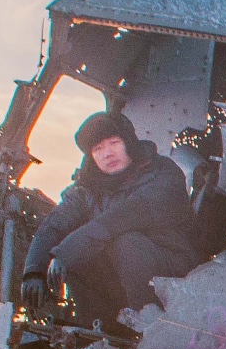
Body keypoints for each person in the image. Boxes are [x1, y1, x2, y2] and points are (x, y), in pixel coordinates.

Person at [21, 111, 200, 326]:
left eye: (114, 143)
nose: (107, 153)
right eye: (98, 149)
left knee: (123, 243)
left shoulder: (163, 174)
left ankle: (151, 328)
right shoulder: (87, 190)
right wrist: (33, 271)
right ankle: (97, 331)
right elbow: (54, 225)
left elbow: (124, 217)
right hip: (121, 280)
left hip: (175, 277)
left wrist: (67, 251)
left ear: (129, 143)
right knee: (80, 253)